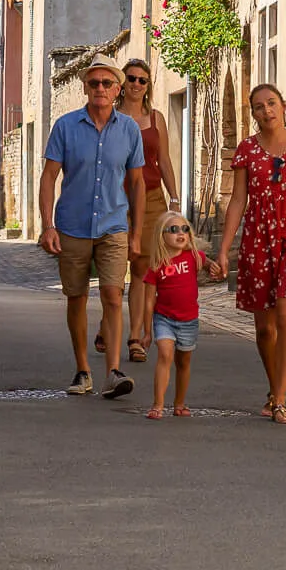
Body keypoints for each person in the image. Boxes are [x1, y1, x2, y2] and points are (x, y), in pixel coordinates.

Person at [216, 84, 286, 425]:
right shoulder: (246, 150)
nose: (266, 111)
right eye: (258, 107)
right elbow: (238, 201)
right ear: (252, 114)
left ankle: (280, 400)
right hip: (258, 240)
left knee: (285, 315)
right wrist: (224, 249)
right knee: (265, 329)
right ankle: (273, 388)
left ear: (284, 106)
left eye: (272, 104)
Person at [39, 54, 147, 400]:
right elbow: (49, 176)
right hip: (72, 225)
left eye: (106, 83)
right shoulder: (66, 126)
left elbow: (138, 183)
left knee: (114, 295)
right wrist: (47, 225)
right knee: (76, 298)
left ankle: (113, 372)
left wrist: (137, 233)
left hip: (114, 223)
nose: (100, 88)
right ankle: (83, 370)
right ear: (85, 88)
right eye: (93, 83)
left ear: (118, 89)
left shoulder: (129, 129)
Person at [114, 57, 179, 364]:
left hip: (152, 198)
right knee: (114, 266)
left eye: (143, 80)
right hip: (116, 199)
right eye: (131, 78)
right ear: (122, 83)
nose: (137, 84)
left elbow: (163, 160)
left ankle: (135, 337)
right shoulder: (111, 117)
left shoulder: (156, 118)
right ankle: (108, 326)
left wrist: (175, 198)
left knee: (142, 268)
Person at [140, 212, 225, 419]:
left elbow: (210, 265)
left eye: (185, 229)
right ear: (162, 235)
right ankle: (158, 404)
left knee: (183, 362)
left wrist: (215, 268)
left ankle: (179, 403)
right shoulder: (157, 265)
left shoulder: (194, 257)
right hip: (164, 319)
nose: (181, 233)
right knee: (165, 355)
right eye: (173, 229)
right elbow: (149, 300)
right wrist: (146, 332)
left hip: (188, 320)